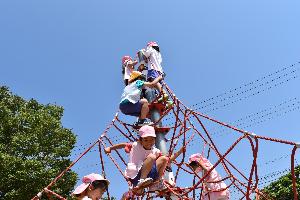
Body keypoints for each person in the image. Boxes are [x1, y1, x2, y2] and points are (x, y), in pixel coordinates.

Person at [104, 125, 169, 193]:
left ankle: (156, 183)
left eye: (152, 139)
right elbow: (123, 145)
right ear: (140, 140)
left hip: (150, 175)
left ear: (155, 140)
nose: (149, 142)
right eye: (146, 140)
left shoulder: (155, 151)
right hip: (136, 175)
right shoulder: (136, 146)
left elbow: (166, 160)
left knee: (164, 158)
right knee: (152, 157)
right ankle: (141, 182)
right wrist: (110, 148)